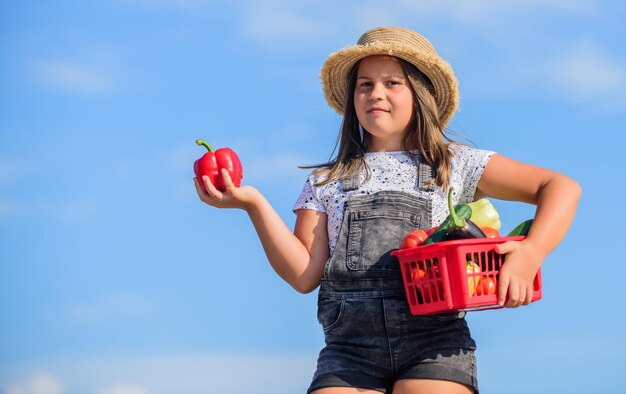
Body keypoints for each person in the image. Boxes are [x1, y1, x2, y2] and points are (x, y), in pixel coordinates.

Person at [194, 26, 581, 394]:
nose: (376, 93)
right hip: (348, 353)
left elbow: (561, 188)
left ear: (420, 94)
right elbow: (303, 275)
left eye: (392, 82)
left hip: (435, 345)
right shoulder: (325, 182)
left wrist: (532, 251)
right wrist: (254, 204)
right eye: (365, 84)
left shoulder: (455, 163)